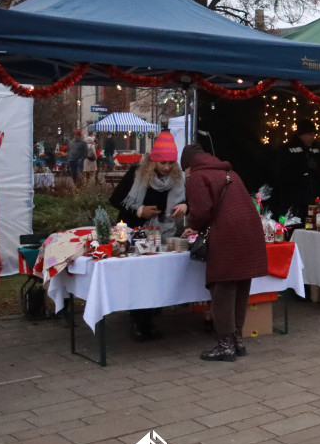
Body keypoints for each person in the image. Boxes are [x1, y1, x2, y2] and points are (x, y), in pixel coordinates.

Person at [181, 144, 268, 360]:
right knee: (240, 285)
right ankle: (237, 339)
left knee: (222, 288)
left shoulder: (197, 178)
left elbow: (200, 211)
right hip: (249, 232)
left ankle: (225, 345)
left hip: (227, 236)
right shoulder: (230, 172)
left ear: (189, 166)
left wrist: (195, 224)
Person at [109, 131, 187, 341]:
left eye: (171, 163)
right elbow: (115, 199)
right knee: (138, 278)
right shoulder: (137, 173)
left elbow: (188, 201)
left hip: (161, 234)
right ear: (153, 161)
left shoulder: (177, 179)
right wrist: (139, 211)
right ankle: (138, 321)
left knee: (155, 277)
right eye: (163, 163)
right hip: (134, 232)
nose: (167, 168)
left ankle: (149, 318)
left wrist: (184, 206)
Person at [277, 121, 320, 221]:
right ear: (302, 134)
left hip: (313, 198)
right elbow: (283, 174)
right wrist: (304, 170)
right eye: (310, 134)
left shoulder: (316, 149)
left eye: (314, 134)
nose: (312, 137)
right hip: (293, 199)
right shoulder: (288, 149)